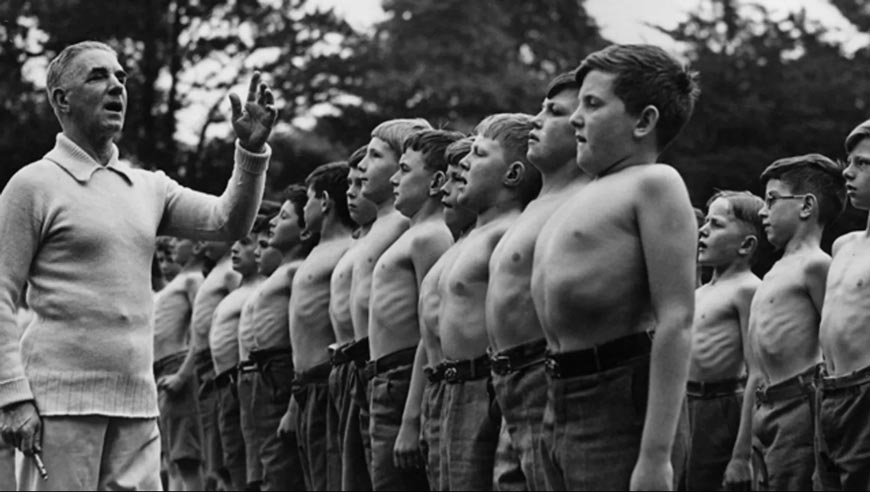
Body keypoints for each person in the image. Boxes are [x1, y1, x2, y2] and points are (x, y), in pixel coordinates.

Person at [0, 40, 276, 490]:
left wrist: (249, 152)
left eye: (121, 78)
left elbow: (228, 221)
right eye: (98, 76)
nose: (116, 87)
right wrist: (12, 396)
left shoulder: (149, 187)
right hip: (59, 406)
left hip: (137, 403)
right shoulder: (32, 185)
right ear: (60, 99)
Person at [531, 44, 700, 490]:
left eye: (593, 104)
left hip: (619, 399)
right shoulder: (586, 189)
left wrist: (655, 456)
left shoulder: (654, 183)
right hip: (558, 393)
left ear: (643, 122)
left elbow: (677, 319)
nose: (574, 118)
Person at [484, 73, 589, 491]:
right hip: (505, 378)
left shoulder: (582, 201)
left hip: (541, 373)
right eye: (541, 108)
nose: (536, 120)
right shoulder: (532, 205)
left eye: (554, 112)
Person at [439, 113, 540, 491]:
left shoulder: (509, 232)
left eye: (478, 154)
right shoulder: (471, 236)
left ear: (512, 175)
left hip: (483, 386)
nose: (463, 161)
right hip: (452, 385)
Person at [366, 129, 461, 490]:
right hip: (383, 380)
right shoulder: (411, 232)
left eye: (404, 169)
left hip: (404, 379)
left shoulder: (431, 236)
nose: (394, 178)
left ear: (436, 181)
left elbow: (431, 330)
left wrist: (411, 416)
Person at [741, 154, 843, 491]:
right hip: (764, 406)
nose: (762, 210)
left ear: (806, 206)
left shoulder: (816, 265)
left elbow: (835, 344)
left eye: (772, 199)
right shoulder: (774, 270)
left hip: (798, 407)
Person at [351, 118, 430, 480]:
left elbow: (430, 319)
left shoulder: (408, 226)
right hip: (369, 368)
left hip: (398, 372)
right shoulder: (379, 226)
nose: (362, 165)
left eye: (375, 156)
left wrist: (412, 414)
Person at [401, 136, 476, 490]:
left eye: (459, 177)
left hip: (469, 386)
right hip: (438, 391)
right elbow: (428, 332)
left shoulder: (475, 241)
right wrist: (413, 414)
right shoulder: (454, 246)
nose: (447, 188)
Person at [286, 162, 355, 491]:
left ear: (325, 201)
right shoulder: (316, 251)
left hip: (326, 383)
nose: (305, 209)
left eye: (309, 199)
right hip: (304, 387)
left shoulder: (346, 250)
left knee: (331, 478)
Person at [686, 191, 763, 491]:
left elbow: (756, 371)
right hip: (685, 405)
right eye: (705, 223)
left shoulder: (747, 289)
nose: (703, 231)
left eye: (716, 225)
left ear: (746, 245)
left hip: (718, 408)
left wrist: (741, 456)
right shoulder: (699, 293)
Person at [240, 186, 309, 491]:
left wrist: (294, 404)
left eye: (283, 217)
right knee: (266, 464)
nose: (273, 226)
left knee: (280, 466)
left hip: (280, 370)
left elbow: (301, 341)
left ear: (304, 227)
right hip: (263, 373)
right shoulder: (282, 271)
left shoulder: (297, 271)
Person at [817, 121, 870, 490]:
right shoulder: (842, 245)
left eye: (863, 163)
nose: (847, 173)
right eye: (849, 162)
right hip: (827, 390)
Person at [326, 146, 377, 492]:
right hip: (342, 367)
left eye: (362, 182)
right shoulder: (363, 239)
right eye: (349, 185)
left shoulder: (397, 230)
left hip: (372, 366)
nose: (352, 193)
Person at [210, 217, 273, 491]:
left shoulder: (261, 289)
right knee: (231, 462)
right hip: (224, 385)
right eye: (235, 242)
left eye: (244, 243)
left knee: (252, 467)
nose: (234, 249)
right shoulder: (240, 289)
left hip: (243, 384)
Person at [153, 237, 207, 491]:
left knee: (186, 458)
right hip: (159, 371)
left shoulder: (192, 280)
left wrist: (182, 375)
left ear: (196, 246)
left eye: (180, 238)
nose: (174, 243)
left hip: (175, 366)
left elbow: (200, 330)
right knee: (171, 459)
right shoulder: (173, 284)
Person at [236, 205, 280, 491]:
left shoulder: (280, 278)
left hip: (271, 374)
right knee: (249, 465)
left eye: (263, 244)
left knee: (273, 466)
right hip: (246, 377)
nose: (255, 252)